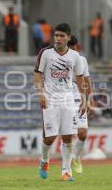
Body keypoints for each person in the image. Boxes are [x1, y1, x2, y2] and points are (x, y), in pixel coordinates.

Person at [34, 23, 86, 181]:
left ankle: (66, 171)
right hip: (50, 100)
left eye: (62, 36)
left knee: (68, 137)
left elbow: (79, 77)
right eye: (56, 35)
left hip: (68, 100)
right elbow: (37, 74)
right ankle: (44, 160)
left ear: (68, 38)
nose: (58, 38)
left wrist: (83, 99)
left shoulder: (75, 56)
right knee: (49, 138)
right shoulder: (46, 53)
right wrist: (41, 94)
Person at [68, 35, 94, 174]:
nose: (71, 50)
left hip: (79, 98)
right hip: (65, 99)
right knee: (69, 134)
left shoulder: (82, 60)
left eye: (73, 47)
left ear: (76, 47)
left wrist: (90, 98)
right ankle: (66, 169)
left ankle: (76, 157)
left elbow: (87, 80)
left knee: (83, 133)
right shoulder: (62, 60)